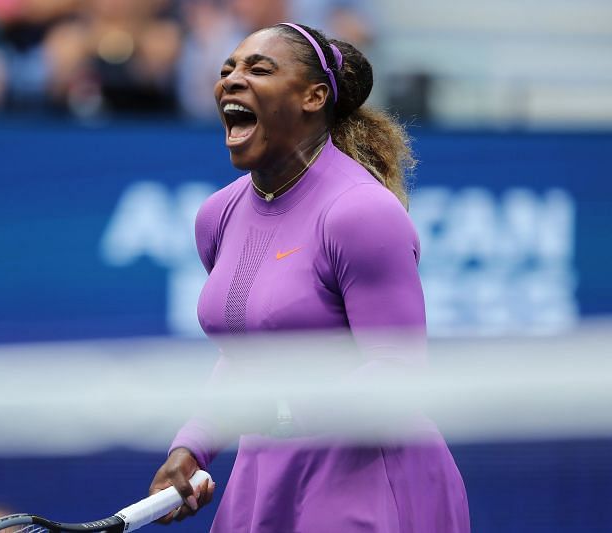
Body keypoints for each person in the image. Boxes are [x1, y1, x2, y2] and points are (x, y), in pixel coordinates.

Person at [148, 23, 470, 532]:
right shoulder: (217, 216)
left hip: (370, 479)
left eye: (259, 69)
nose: (232, 80)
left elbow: (399, 374)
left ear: (313, 97)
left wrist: (280, 413)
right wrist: (192, 446)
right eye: (227, 69)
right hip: (265, 477)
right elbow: (246, 356)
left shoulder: (361, 213)